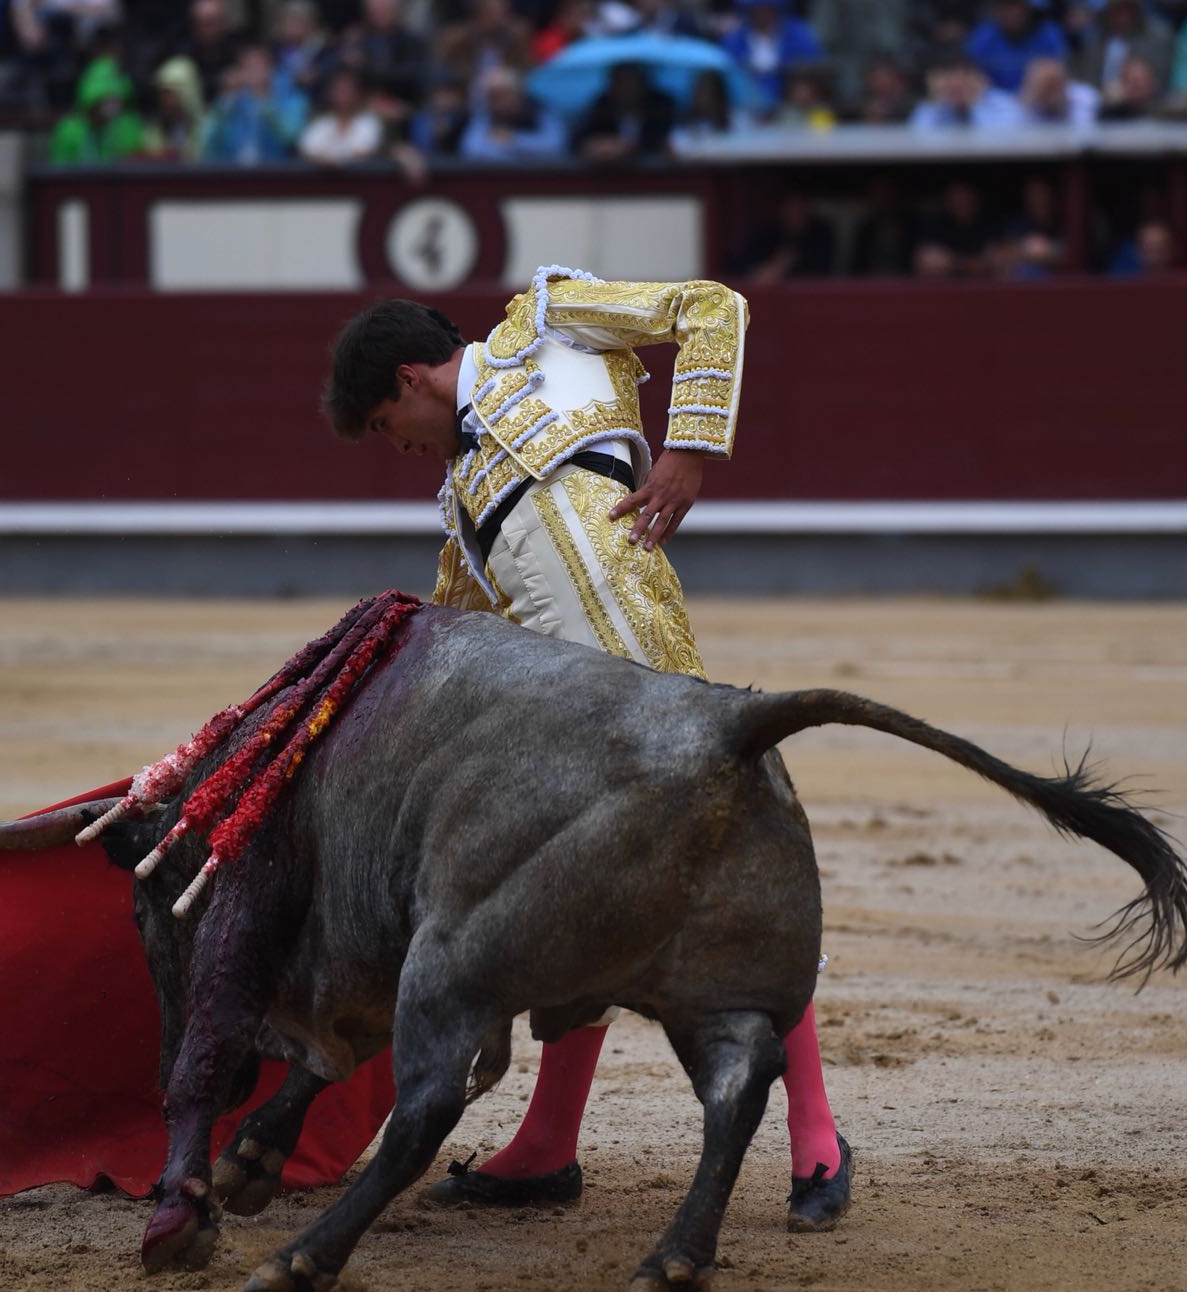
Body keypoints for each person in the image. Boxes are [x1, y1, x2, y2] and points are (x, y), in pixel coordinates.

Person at [318, 268, 854, 1232]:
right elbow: (463, 642)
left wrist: (688, 452)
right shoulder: (459, 516)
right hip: (564, 734)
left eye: (386, 427)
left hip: (653, 668)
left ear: (407, 381)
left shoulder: (549, 323)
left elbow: (712, 309)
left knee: (734, 874)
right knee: (570, 908)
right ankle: (549, 1144)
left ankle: (815, 1131)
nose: (397, 450)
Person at [965, 0, 1069, 93]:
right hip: (994, 106)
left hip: (1038, 105)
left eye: (1016, 6)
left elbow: (1056, 78)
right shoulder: (982, 36)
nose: (1010, 13)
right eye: (1004, 6)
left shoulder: (1048, 33)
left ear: (1029, 9)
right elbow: (973, 78)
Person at [909, 47, 1025, 129]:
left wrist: (974, 107)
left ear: (980, 77)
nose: (957, 83)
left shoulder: (1004, 105)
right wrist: (941, 107)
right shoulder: (927, 110)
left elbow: (1002, 145)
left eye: (965, 74)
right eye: (949, 75)